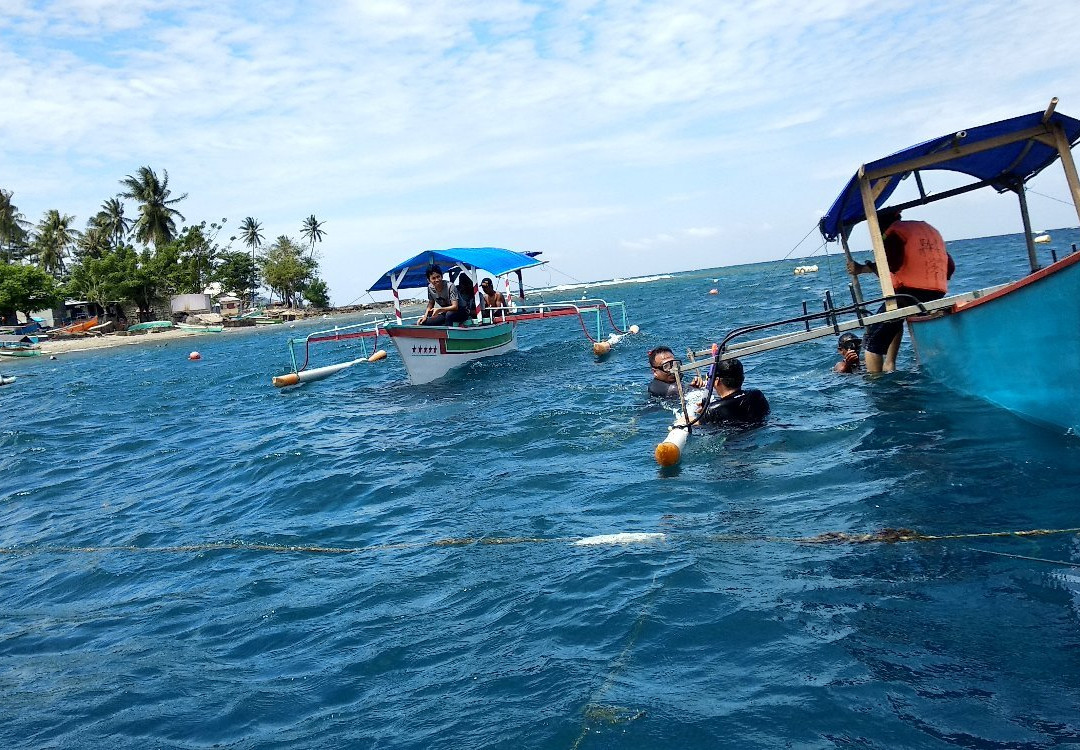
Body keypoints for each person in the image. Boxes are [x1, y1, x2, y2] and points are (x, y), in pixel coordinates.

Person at [847, 208, 955, 373]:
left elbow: (891, 264)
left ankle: (876, 384)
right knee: (894, 319)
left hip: (908, 294)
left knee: (871, 341)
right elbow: (950, 266)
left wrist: (863, 268)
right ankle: (890, 364)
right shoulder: (924, 231)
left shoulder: (892, 234)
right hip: (937, 293)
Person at [696, 357, 769, 425]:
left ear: (717, 381)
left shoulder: (713, 409)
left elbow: (690, 423)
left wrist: (691, 388)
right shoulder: (757, 395)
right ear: (742, 378)